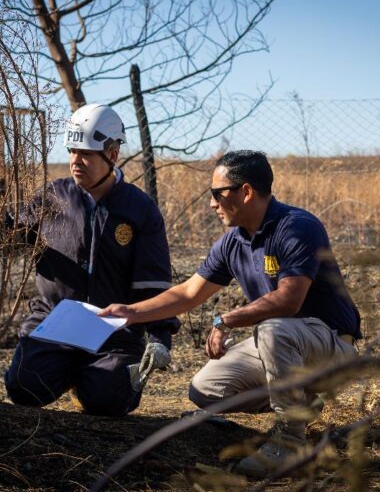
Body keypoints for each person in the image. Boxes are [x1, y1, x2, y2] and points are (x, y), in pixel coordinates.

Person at [100, 150, 361, 476]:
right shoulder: (232, 242)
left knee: (272, 330)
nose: (211, 203)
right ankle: (300, 402)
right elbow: (188, 292)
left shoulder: (297, 227)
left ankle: (290, 444)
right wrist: (131, 313)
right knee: (205, 389)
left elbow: (288, 300)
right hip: (284, 346)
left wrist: (226, 319)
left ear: (246, 191)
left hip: (331, 346)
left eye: (217, 194)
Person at [3, 103, 179, 417]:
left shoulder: (139, 209)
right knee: (23, 386)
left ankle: (95, 380)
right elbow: (12, 234)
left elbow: (154, 282)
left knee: (107, 402)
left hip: (114, 328)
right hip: (54, 320)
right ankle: (70, 370)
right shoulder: (53, 197)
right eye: (72, 151)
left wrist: (160, 337)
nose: (74, 161)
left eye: (85, 153)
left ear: (112, 155)